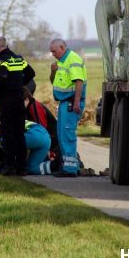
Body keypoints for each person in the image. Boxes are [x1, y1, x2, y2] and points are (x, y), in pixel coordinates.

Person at [0, 36, 35, 176]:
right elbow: (31, 73)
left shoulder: (1, 60)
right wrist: (20, 84)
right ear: (7, 45)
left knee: (7, 134)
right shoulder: (19, 58)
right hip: (19, 101)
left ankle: (9, 166)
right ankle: (22, 167)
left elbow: (2, 77)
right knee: (19, 134)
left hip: (7, 102)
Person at [49, 38, 87, 177]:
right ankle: (69, 166)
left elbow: (79, 81)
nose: (52, 54)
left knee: (67, 135)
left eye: (54, 51)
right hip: (64, 103)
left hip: (71, 103)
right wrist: (53, 71)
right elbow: (54, 82)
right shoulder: (61, 61)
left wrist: (76, 102)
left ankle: (70, 169)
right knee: (61, 135)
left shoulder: (73, 59)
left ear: (62, 47)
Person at [22, 86, 61, 173]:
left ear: (27, 99)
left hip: (52, 138)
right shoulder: (30, 106)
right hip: (48, 138)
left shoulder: (34, 107)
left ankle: (55, 165)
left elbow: (41, 128)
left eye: (21, 102)